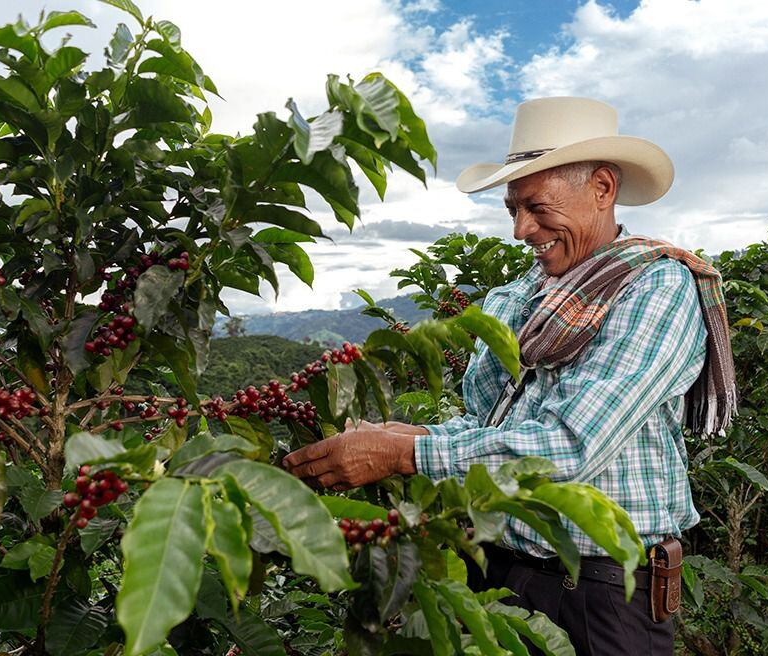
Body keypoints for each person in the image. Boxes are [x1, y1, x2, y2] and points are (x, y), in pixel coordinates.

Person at [283, 97, 737, 655]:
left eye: (538, 207)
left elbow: (570, 444)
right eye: (512, 209)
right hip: (494, 567)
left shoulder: (655, 288)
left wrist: (402, 456)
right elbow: (488, 422)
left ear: (601, 188)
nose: (523, 229)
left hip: (601, 590)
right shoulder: (516, 296)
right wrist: (413, 436)